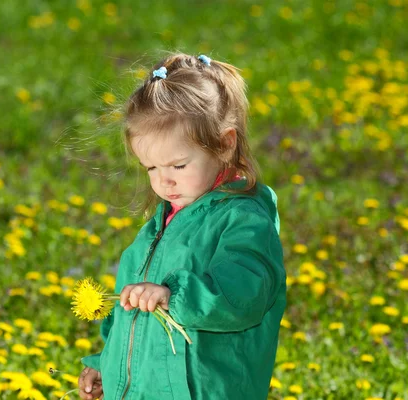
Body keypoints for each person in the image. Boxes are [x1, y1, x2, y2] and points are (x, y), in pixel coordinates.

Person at [78, 52, 286, 400]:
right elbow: (128, 314)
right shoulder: (158, 228)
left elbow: (245, 292)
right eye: (151, 168)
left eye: (177, 165)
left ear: (224, 144)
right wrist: (106, 363)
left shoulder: (244, 222)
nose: (164, 182)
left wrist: (176, 295)